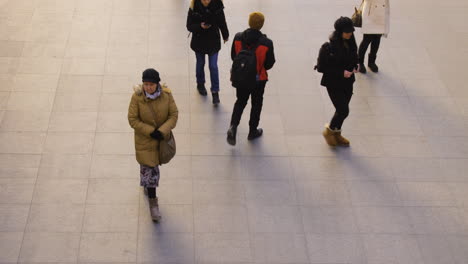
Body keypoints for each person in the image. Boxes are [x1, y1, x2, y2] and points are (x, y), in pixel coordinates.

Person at [128, 68, 178, 222]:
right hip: (145, 141)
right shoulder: (137, 98)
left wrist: (162, 131)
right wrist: (150, 131)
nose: (148, 87)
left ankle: (146, 184)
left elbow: (173, 115)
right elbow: (133, 119)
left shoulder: (167, 95)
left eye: (151, 84)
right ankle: (153, 204)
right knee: (151, 173)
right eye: (146, 84)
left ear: (157, 84)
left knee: (150, 172)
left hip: (161, 140)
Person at [226, 12, 275, 146]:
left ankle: (233, 126)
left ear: (249, 22)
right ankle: (252, 131)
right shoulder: (267, 43)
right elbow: (269, 64)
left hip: (241, 78)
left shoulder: (238, 37)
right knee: (256, 104)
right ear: (262, 25)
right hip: (258, 80)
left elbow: (233, 56)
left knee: (240, 101)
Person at [319, 17, 359, 147]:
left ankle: (336, 133)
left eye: (351, 31)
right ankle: (329, 131)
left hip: (348, 82)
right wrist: (341, 72)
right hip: (334, 83)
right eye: (347, 32)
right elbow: (322, 67)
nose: (350, 34)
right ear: (340, 31)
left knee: (341, 109)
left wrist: (356, 65)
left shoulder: (351, 42)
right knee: (343, 110)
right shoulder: (328, 47)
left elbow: (354, 57)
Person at [186, 0, 229, 105]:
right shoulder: (193, 7)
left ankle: (215, 91)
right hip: (199, 41)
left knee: (213, 66)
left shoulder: (218, 6)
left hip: (213, 41)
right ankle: (200, 84)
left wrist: (225, 34)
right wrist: (200, 26)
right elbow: (189, 26)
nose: (206, 1)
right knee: (200, 63)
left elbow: (222, 21)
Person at [358, 0, 390, 73]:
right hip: (370, 13)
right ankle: (360, 62)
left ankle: (371, 62)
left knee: (376, 40)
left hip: (381, 14)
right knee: (366, 40)